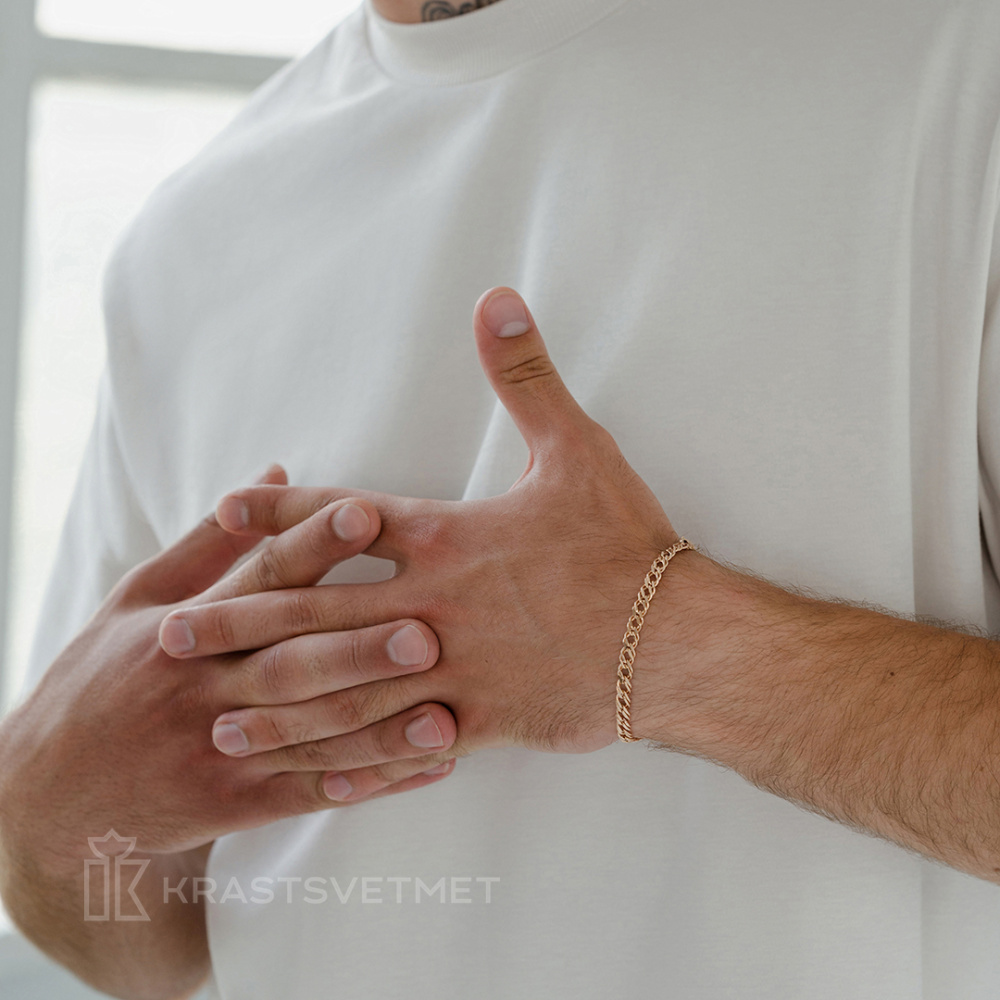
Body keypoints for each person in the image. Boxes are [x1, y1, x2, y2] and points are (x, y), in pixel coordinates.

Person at [2, 0, 1000, 996]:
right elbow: (147, 958)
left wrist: (666, 643)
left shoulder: (957, 65)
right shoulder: (188, 240)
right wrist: (45, 821)